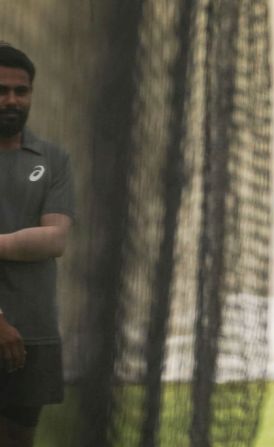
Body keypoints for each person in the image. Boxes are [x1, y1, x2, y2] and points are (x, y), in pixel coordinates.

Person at [0, 43, 75, 447]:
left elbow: (55, 239)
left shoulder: (53, 158)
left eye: (21, 90)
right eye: (1, 90)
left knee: (19, 439)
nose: (12, 99)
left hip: (37, 333)